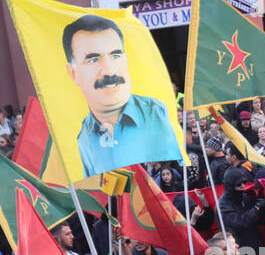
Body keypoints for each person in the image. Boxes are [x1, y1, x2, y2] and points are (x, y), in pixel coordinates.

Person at [64, 14, 179, 176]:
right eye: (93, 59)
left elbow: (177, 168)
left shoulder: (155, 113)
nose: (109, 70)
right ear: (73, 72)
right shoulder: (84, 136)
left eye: (115, 56)